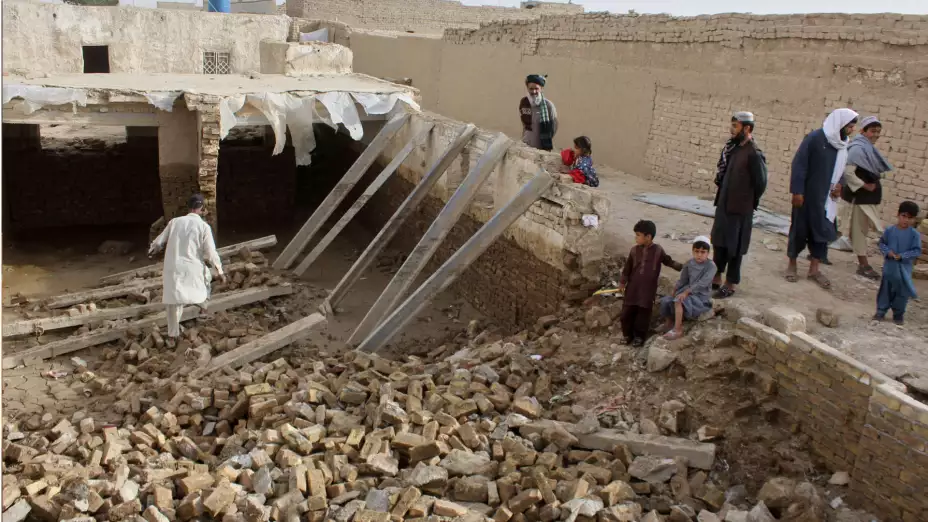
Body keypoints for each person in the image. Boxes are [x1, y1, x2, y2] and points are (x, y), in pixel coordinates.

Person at [785, 108, 859, 289]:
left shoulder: (843, 145)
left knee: (821, 233)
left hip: (827, 201)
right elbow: (799, 165)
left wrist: (840, 185)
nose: (851, 130)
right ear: (840, 124)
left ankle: (814, 269)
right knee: (800, 230)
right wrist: (797, 191)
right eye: (849, 126)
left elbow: (842, 170)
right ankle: (792, 265)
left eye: (852, 127)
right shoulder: (815, 138)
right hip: (807, 196)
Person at [148, 194, 226, 344]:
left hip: (173, 268)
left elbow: (159, 242)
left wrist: (151, 250)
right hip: (193, 268)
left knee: (173, 301)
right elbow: (210, 252)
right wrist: (219, 270)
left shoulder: (175, 222)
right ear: (202, 209)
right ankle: (203, 310)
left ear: (188, 207)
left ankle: (172, 335)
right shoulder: (203, 226)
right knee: (206, 282)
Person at [710, 111, 767, 299]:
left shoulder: (754, 153)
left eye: (736, 126)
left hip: (740, 209)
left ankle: (731, 283)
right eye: (732, 125)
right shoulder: (732, 148)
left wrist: (747, 200)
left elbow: (761, 183)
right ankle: (716, 275)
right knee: (719, 241)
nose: (732, 129)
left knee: (735, 246)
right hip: (724, 203)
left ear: (747, 128)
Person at [840, 115, 892, 280]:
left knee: (859, 231)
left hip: (868, 199)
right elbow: (848, 173)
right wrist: (865, 185)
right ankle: (863, 265)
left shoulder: (868, 148)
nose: (876, 134)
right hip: (861, 199)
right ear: (863, 131)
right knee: (861, 231)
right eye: (872, 131)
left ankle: (817, 254)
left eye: (878, 131)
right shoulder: (857, 148)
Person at [618, 220, 682, 347]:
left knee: (643, 315)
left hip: (647, 290)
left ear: (648, 237)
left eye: (638, 235)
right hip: (632, 289)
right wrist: (622, 283)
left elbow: (668, 261)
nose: (635, 238)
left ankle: (639, 338)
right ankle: (627, 335)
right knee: (626, 314)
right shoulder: (634, 251)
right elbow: (627, 269)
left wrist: (683, 267)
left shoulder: (658, 251)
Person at [660, 237, 717, 340]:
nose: (699, 254)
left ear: (708, 253)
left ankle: (678, 330)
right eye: (697, 251)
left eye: (703, 252)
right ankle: (669, 322)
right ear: (693, 251)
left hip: (700, 295)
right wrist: (674, 291)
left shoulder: (711, 266)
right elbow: (683, 280)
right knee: (666, 300)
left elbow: (702, 284)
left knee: (678, 300)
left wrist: (686, 293)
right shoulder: (689, 263)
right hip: (688, 291)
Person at [874, 201, 921, 325]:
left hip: (904, 270)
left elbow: (916, 251)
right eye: (903, 216)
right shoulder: (890, 230)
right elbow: (882, 243)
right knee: (885, 291)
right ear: (898, 215)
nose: (906, 220)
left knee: (902, 294)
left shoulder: (914, 235)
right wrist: (888, 252)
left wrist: (902, 256)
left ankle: (898, 315)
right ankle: (880, 312)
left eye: (910, 218)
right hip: (890, 268)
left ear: (914, 220)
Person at [519, 74, 558, 151]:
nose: (533, 91)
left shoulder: (548, 106)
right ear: (527, 88)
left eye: (536, 88)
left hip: (541, 148)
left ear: (541, 88)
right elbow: (524, 125)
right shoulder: (524, 103)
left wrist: (545, 140)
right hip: (525, 145)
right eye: (531, 89)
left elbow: (554, 127)